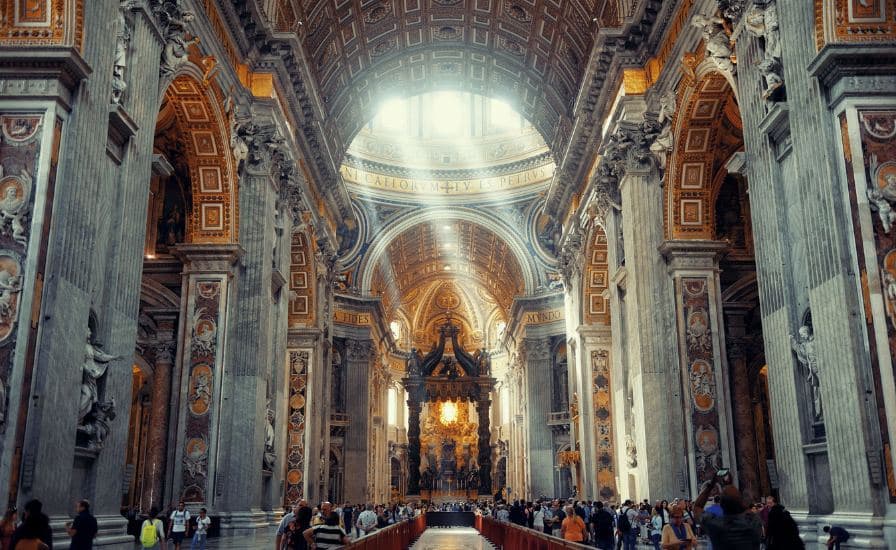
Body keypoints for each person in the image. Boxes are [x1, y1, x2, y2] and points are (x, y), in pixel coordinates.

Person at [693, 476, 763, 550]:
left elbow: (697, 507)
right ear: (741, 502)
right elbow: (746, 508)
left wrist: (710, 486)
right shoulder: (754, 522)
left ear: (721, 505)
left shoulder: (715, 524)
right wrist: (730, 486)